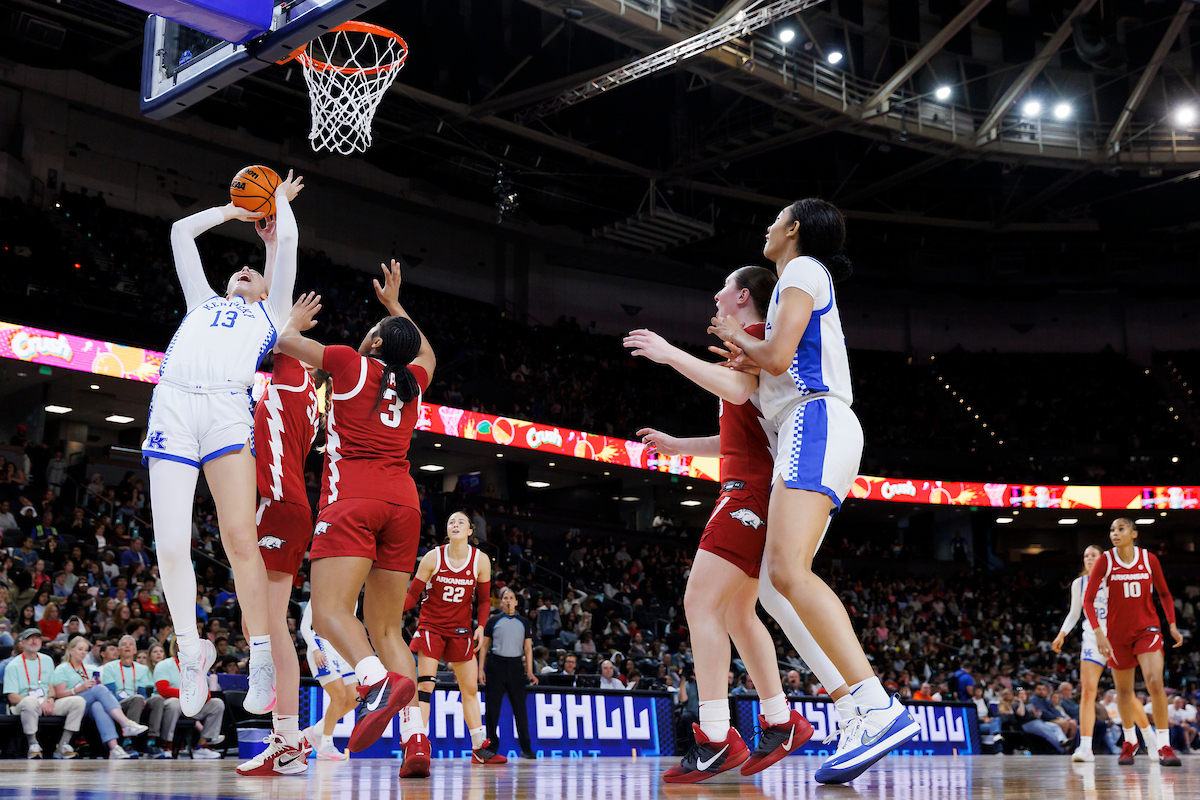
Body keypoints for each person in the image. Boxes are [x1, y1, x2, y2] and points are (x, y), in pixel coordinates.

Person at [705, 199, 919, 783]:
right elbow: (769, 367)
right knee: (778, 585)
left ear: (794, 229)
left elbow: (777, 357)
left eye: (776, 219)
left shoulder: (801, 269)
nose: (767, 226)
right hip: (807, 427)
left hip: (815, 419)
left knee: (786, 574)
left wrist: (738, 337)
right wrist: (744, 350)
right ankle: (856, 708)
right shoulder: (791, 283)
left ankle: (876, 705)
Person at [626, 265, 849, 784]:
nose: (716, 294)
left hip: (749, 491)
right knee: (737, 614)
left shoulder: (753, 337)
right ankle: (780, 720)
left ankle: (714, 737)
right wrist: (680, 446)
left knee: (700, 603)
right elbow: (740, 430)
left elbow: (737, 388)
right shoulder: (752, 343)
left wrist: (669, 353)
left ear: (744, 295)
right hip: (755, 485)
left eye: (724, 287)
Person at [140, 170, 303, 721]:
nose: (245, 270)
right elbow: (181, 233)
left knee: (239, 538)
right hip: (173, 404)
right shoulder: (202, 300)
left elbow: (288, 242)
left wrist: (277, 204)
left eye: (256, 271)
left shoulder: (271, 313)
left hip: (226, 409)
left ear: (267, 288)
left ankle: (261, 656)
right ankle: (191, 651)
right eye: (241, 269)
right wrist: (234, 211)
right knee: (169, 545)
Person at [275, 260, 435, 779]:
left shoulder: (348, 362)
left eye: (373, 330)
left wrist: (295, 321)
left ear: (375, 342)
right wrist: (395, 306)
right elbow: (427, 353)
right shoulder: (412, 382)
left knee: (327, 613)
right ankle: (415, 739)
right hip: (404, 506)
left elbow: (282, 342)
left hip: (353, 501)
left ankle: (372, 680)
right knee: (388, 629)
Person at [236, 319, 321, 777]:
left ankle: (288, 741)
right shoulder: (305, 391)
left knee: (268, 626)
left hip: (281, 506)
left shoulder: (292, 375)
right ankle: (287, 738)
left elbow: (278, 330)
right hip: (280, 506)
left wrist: (291, 321)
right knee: (259, 624)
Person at [1084, 518, 1182, 766]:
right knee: (1124, 692)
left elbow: (1164, 593)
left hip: (1147, 629)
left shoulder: (1149, 559)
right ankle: (1130, 741)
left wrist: (1171, 624)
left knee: (1155, 681)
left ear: (1134, 533)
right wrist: (1099, 633)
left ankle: (1164, 744)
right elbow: (1088, 600)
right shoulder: (1105, 560)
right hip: (1116, 634)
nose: (1115, 533)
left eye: (1121, 529)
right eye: (1112, 530)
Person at [405, 511, 496, 764]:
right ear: (447, 531)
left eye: (461, 522)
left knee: (470, 689)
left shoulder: (481, 560)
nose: (455, 524)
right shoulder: (433, 556)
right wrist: (391, 610)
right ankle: (418, 744)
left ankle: (478, 747)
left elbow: (485, 600)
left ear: (470, 531)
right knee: (425, 686)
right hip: (431, 626)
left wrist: (481, 626)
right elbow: (412, 595)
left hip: (460, 630)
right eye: (451, 522)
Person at [1052, 544, 1154, 762]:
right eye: (1086, 556)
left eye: (1093, 555)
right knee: (1088, 692)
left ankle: (1149, 738)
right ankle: (1085, 747)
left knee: (1126, 694)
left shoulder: (1116, 579)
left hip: (1117, 638)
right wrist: (1062, 634)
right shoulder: (1079, 584)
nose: (1089, 558)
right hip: (1092, 639)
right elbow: (1074, 613)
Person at [51, 635, 147, 759]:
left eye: (86, 650)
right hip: (70, 703)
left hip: (89, 704)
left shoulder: (92, 668)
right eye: (80, 649)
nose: (83, 653)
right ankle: (125, 723)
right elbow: (59, 694)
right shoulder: (62, 668)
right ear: (70, 650)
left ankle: (114, 748)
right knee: (98, 689)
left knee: (98, 706)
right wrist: (79, 689)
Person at [3, 628, 85, 758]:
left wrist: (50, 699)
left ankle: (63, 744)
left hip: (46, 701)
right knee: (31, 701)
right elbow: (12, 697)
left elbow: (51, 686)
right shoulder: (13, 665)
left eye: (37, 638)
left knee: (78, 701)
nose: (34, 641)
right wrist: (39, 702)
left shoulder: (47, 660)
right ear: (22, 643)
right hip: (23, 704)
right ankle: (33, 745)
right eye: (30, 638)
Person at [480, 588, 537, 760]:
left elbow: (528, 648)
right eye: (505, 598)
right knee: (492, 709)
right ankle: (491, 746)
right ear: (501, 602)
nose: (508, 600)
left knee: (520, 709)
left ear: (516, 602)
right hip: (495, 665)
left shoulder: (524, 622)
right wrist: (480, 669)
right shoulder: (493, 620)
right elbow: (484, 646)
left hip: (516, 666)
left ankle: (526, 748)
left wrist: (530, 671)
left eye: (511, 597)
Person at [298, 599, 357, 761]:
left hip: (343, 649)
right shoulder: (320, 593)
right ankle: (326, 745)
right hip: (322, 645)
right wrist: (315, 649)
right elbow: (304, 626)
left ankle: (315, 731)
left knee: (354, 698)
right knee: (339, 696)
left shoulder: (353, 596)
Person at [154, 633, 225, 759]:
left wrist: (200, 694)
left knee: (217, 703)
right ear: (176, 646)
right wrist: (188, 694)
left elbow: (207, 693)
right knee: (174, 703)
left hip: (192, 705)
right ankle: (166, 745)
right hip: (170, 704)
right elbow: (163, 690)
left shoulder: (197, 667)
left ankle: (201, 746)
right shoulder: (164, 665)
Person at [101, 634, 168, 757]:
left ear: (135, 650)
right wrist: (135, 699)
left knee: (157, 699)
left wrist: (143, 700)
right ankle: (128, 742)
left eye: (130, 644)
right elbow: (110, 693)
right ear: (119, 650)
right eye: (124, 645)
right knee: (137, 699)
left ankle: (151, 742)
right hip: (118, 703)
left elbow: (143, 692)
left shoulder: (143, 669)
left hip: (138, 700)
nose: (127, 646)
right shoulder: (109, 667)